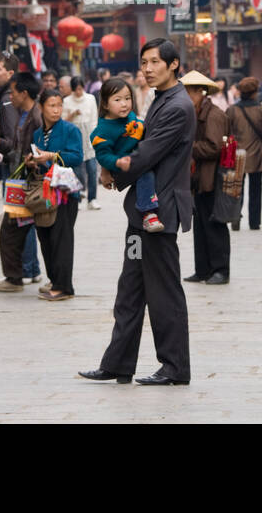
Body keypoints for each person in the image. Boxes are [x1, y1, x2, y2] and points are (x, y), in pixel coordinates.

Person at [81, 38, 195, 386]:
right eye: (144, 62)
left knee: (163, 291)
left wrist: (110, 168)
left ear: (174, 64)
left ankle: (174, 367)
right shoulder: (160, 98)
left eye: (154, 62)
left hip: (159, 214)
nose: (147, 69)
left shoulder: (177, 105)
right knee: (129, 288)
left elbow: (148, 153)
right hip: (141, 216)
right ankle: (118, 362)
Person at [0, 73, 47, 292]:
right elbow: (15, 146)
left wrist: (35, 160)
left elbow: (42, 149)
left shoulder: (37, 117)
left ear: (24, 93)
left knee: (28, 231)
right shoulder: (23, 116)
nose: (10, 96)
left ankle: (20, 277)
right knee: (12, 229)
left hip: (32, 183)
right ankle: (16, 276)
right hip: (19, 181)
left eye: (13, 92)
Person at [30, 88, 85, 301]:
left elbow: (76, 157)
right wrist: (33, 161)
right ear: (41, 107)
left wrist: (51, 156)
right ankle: (54, 279)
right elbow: (40, 161)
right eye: (51, 106)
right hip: (44, 193)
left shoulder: (70, 130)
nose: (56, 110)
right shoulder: (37, 134)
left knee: (62, 239)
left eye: (59, 105)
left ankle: (64, 286)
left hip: (64, 193)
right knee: (45, 237)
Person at [91, 78, 162, 231]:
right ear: (105, 104)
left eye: (127, 98)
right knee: (146, 174)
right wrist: (116, 163)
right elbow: (103, 156)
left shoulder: (130, 116)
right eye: (118, 100)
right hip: (121, 164)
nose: (124, 104)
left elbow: (139, 126)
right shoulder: (103, 130)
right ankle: (148, 213)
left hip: (135, 157)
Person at [183, 70, 230, 284]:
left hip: (213, 178)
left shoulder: (214, 115)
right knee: (200, 225)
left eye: (188, 93)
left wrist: (187, 147)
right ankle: (202, 269)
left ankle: (220, 270)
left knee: (214, 224)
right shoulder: (194, 112)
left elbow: (214, 147)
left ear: (199, 92)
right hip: (197, 179)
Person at [228, 77, 262, 231]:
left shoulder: (232, 110)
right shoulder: (261, 110)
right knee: (255, 190)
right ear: (255, 92)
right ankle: (254, 222)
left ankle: (234, 216)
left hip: (236, 154)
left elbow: (227, 134)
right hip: (256, 154)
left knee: (236, 189)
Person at [63, 73, 101, 211]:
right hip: (74, 136)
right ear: (73, 89)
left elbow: (94, 119)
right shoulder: (67, 101)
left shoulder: (90, 98)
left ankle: (92, 199)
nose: (79, 92)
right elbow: (63, 121)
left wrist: (95, 137)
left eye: (81, 88)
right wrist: (73, 114)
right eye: (76, 89)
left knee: (92, 169)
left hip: (89, 135)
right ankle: (77, 198)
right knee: (77, 170)